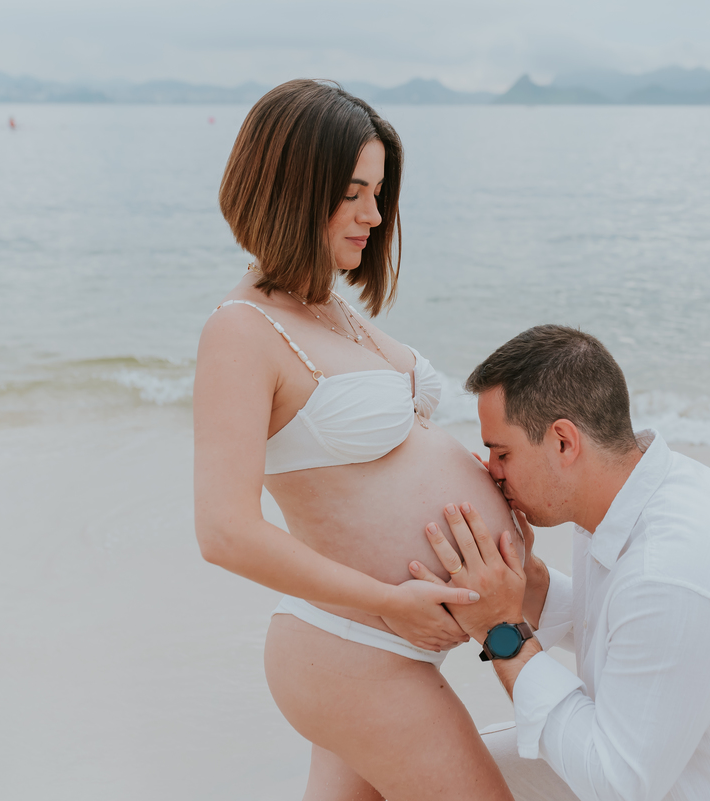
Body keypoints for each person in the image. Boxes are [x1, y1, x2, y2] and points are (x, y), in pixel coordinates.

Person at [193, 80, 521, 801]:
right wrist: (388, 601)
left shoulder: (332, 311)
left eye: (378, 191)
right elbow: (223, 531)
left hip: (384, 642)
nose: (375, 214)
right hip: (352, 644)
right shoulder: (240, 333)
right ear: (290, 189)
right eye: (353, 192)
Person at [409, 325, 710, 801]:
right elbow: (622, 624)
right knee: (424, 769)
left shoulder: (673, 570)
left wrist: (502, 631)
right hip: (670, 770)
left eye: (502, 452)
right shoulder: (634, 491)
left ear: (564, 442)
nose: (491, 471)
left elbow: (614, 785)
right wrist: (530, 584)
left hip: (673, 783)